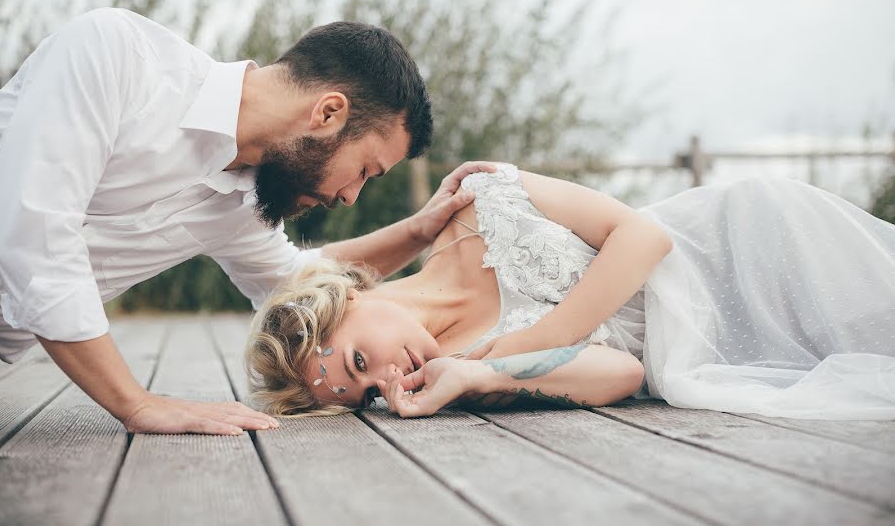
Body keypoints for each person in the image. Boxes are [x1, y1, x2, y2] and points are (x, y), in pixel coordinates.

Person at [0, 7, 494, 435]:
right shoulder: (116, 55)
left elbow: (305, 280)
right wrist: (136, 402)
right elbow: (37, 241)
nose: (349, 197)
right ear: (328, 113)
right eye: (364, 170)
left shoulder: (243, 205)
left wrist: (420, 230)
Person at [246, 163, 895, 420]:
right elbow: (620, 371)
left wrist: (540, 335)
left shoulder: (481, 202)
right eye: (367, 396)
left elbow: (642, 238)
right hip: (730, 339)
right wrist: (481, 376)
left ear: (350, 297)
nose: (388, 381)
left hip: (746, 243)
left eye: (361, 361)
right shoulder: (463, 369)